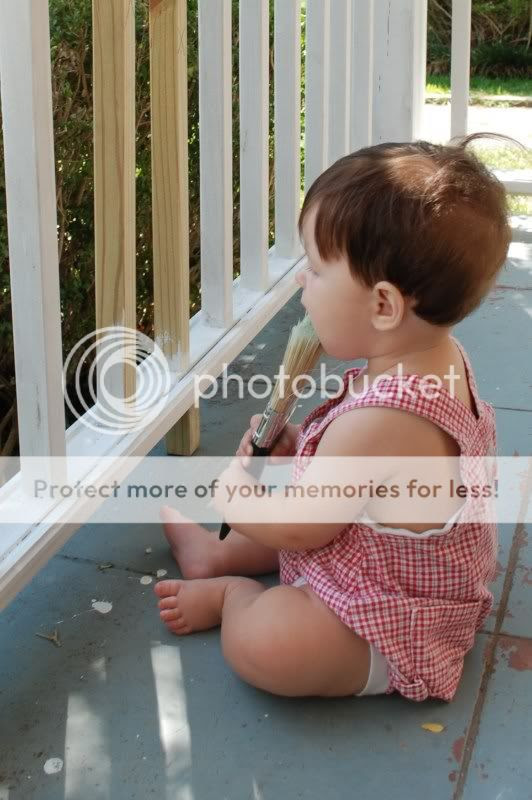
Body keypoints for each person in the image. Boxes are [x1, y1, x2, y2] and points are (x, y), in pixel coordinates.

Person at [154, 135, 510, 701]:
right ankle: (216, 553)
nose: (302, 280)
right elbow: (367, 482)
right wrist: (303, 445)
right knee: (298, 511)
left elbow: (303, 528)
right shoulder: (436, 358)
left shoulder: (386, 417)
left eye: (317, 269)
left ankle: (231, 595)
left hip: (393, 615)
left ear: (384, 306)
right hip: (378, 553)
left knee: (271, 645)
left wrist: (236, 500)